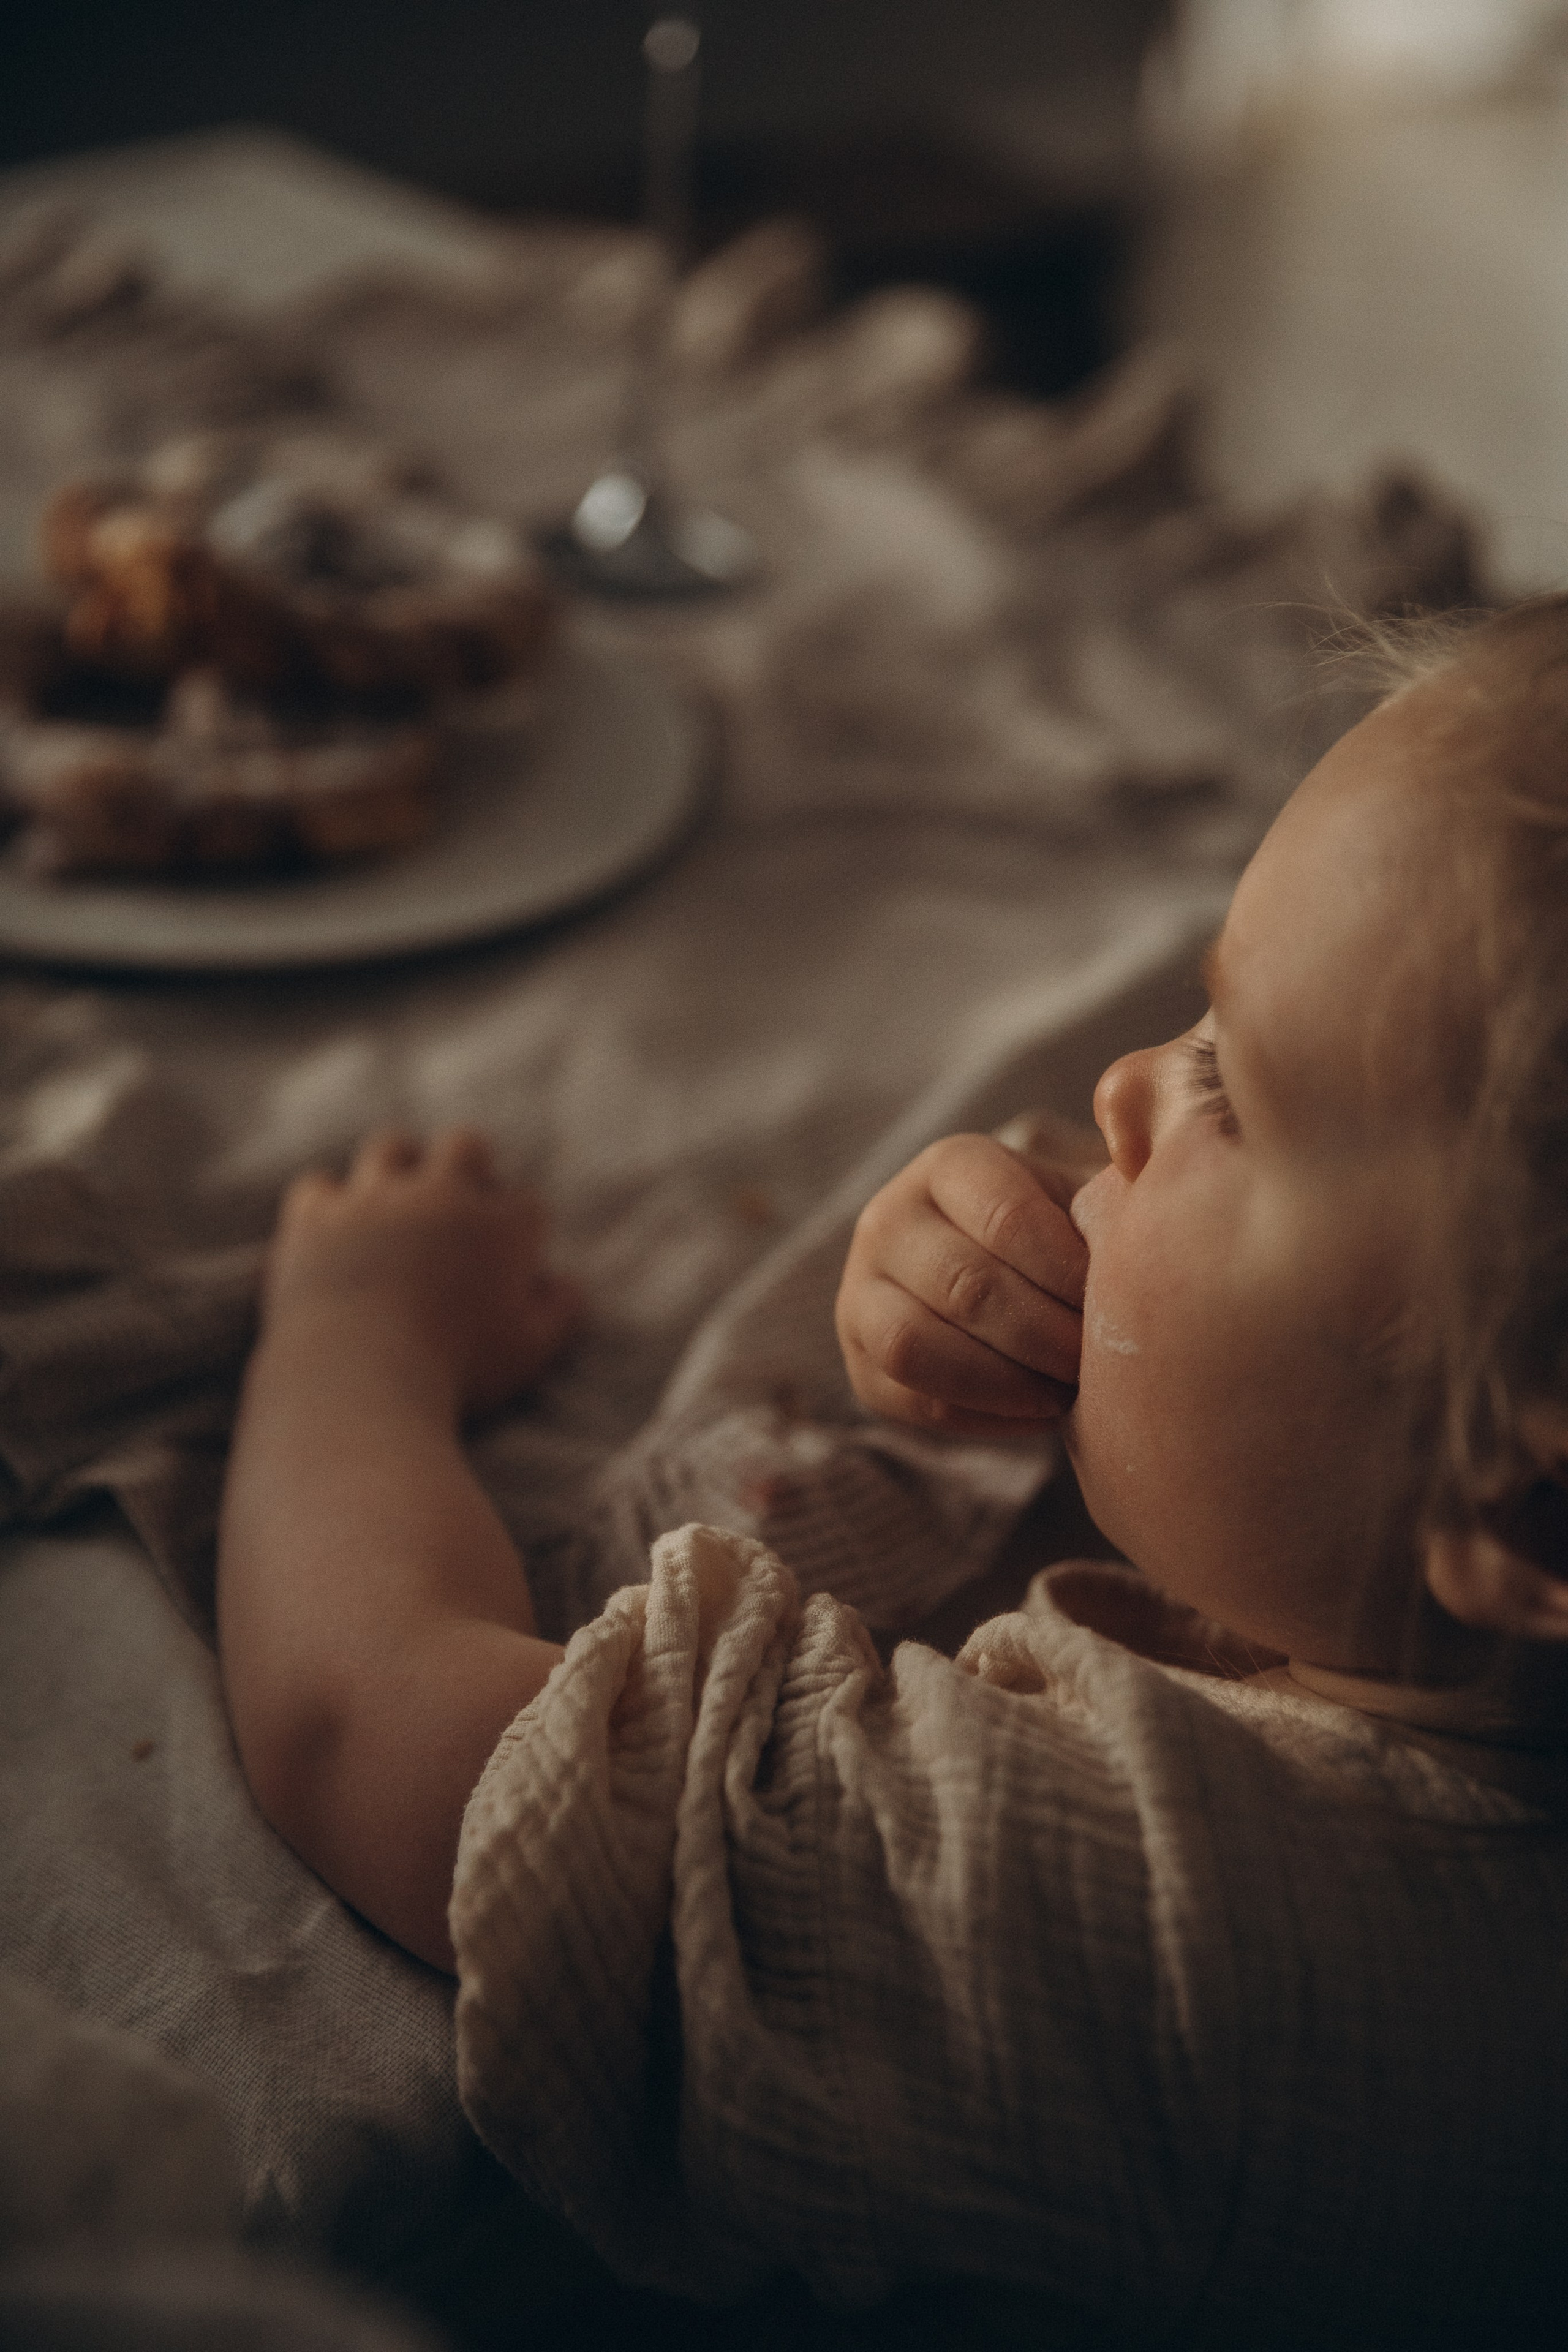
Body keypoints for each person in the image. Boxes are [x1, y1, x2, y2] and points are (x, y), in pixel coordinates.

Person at [216, 600, 1568, 2345]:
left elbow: (368, 1726)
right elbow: (1310, 1409)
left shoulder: (1142, 1938)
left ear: (1527, 1508)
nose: (1120, 1088)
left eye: (1230, 1087)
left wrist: (355, 1336)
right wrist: (1100, 1298)